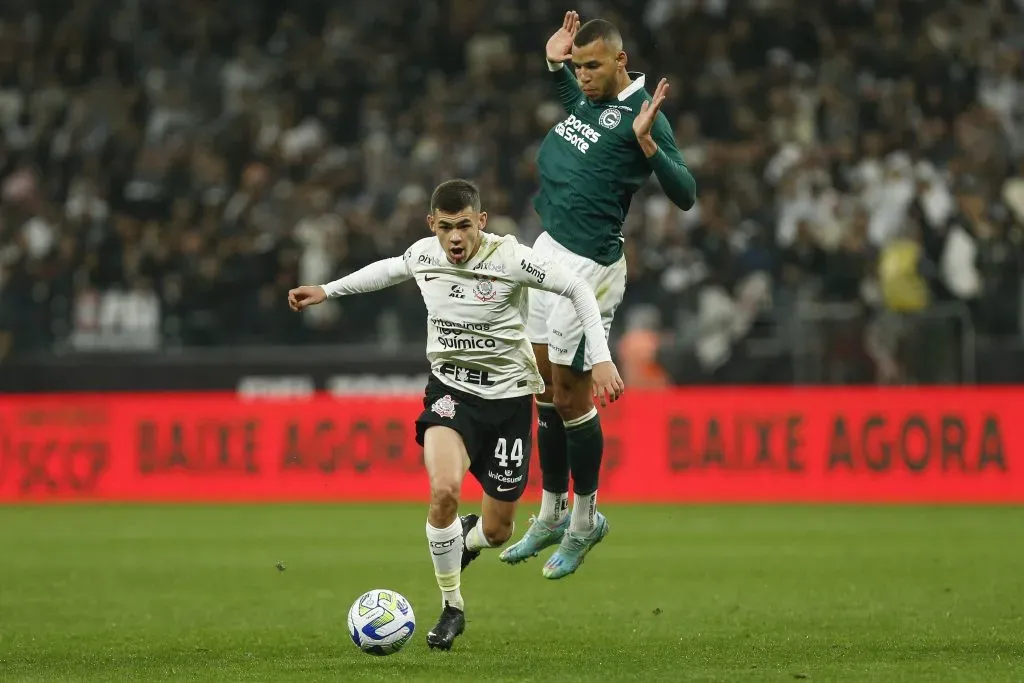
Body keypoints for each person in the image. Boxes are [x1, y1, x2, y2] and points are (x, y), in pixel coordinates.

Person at [287, 179, 624, 651]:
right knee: (443, 491)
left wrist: (603, 356)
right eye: (446, 228)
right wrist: (327, 290)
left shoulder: (510, 258)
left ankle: (467, 539)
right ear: (433, 226)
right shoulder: (425, 255)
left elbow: (577, 289)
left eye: (464, 225)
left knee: (498, 529)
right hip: (451, 395)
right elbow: (388, 270)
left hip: (508, 406)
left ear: (481, 222)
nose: (456, 238)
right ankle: (452, 606)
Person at [501, 12, 697, 579]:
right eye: (577, 65)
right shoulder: (589, 99)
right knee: (541, 386)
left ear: (621, 61)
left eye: (591, 65)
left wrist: (651, 147)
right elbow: (575, 99)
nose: (581, 75)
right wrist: (550, 60)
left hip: (590, 266)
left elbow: (686, 193)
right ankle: (551, 512)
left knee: (571, 399)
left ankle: (586, 520)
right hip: (548, 248)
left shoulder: (643, 115)